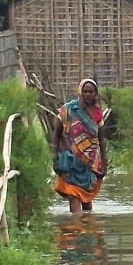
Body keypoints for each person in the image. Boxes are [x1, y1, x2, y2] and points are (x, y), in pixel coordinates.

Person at [53, 79, 113, 216]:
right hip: (71, 162)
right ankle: (77, 232)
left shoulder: (97, 113)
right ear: (80, 92)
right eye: (85, 91)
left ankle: (88, 231)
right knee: (74, 198)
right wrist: (55, 156)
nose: (88, 94)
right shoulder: (68, 110)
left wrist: (104, 162)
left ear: (96, 93)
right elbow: (56, 135)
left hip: (90, 163)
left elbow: (101, 139)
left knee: (87, 199)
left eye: (91, 92)